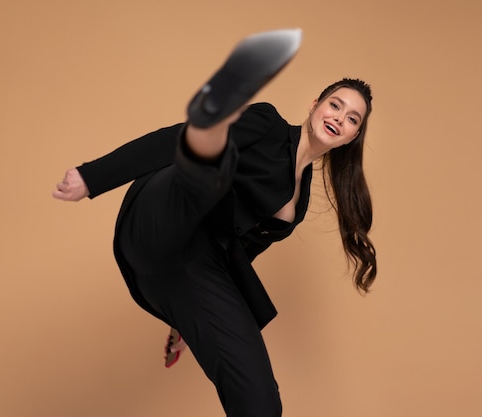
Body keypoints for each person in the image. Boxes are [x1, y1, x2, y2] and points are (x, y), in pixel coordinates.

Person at [53, 29, 377, 417]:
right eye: (334, 105)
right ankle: (210, 125)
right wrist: (95, 177)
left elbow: (236, 254)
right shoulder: (270, 125)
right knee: (210, 171)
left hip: (188, 267)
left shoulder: (299, 201)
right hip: (160, 213)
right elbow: (173, 139)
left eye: (351, 118)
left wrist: (189, 321)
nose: (339, 118)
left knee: (260, 400)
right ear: (314, 105)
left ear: (353, 136)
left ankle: (210, 137)